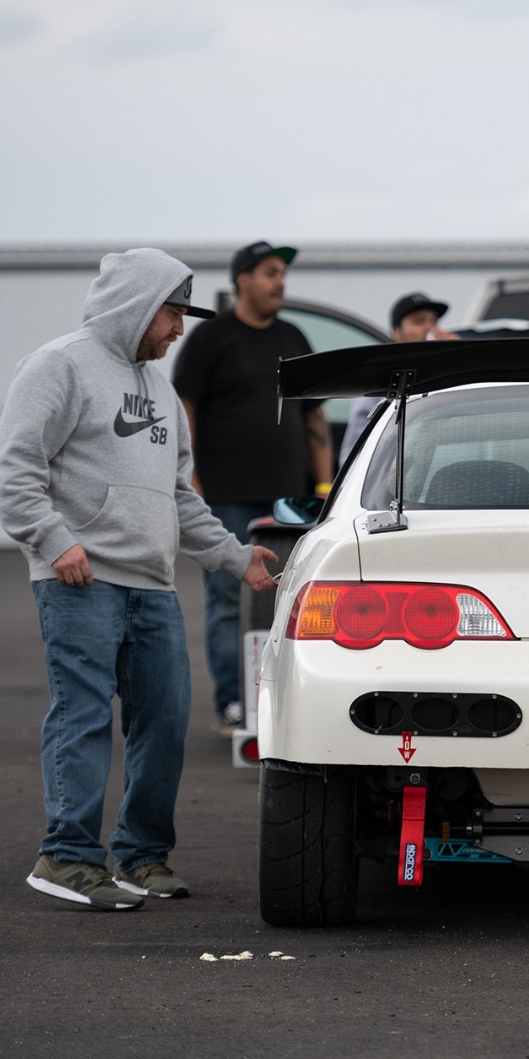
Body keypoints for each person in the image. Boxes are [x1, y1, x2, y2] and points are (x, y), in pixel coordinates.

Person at [0, 248, 278, 910]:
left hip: (153, 585)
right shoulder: (59, 364)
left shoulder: (161, 393)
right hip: (80, 580)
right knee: (84, 716)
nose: (181, 328)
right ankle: (65, 856)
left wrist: (236, 557)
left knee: (165, 720)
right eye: (175, 312)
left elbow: (178, 497)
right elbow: (14, 470)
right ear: (140, 305)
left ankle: (142, 857)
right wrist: (53, 540)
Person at [171, 241, 330, 736]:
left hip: (289, 498)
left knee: (292, 599)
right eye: (269, 272)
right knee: (227, 599)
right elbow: (184, 410)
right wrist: (189, 481)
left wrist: (325, 483)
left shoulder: (293, 336)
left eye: (281, 273)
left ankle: (285, 701)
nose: (279, 281)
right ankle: (234, 703)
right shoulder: (211, 339)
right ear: (243, 279)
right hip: (225, 496)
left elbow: (315, 413)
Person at [339, 291, 456, 454]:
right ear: (396, 332)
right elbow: (355, 450)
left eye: (434, 321)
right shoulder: (379, 382)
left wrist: (456, 358)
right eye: (419, 320)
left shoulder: (450, 371)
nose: (430, 328)